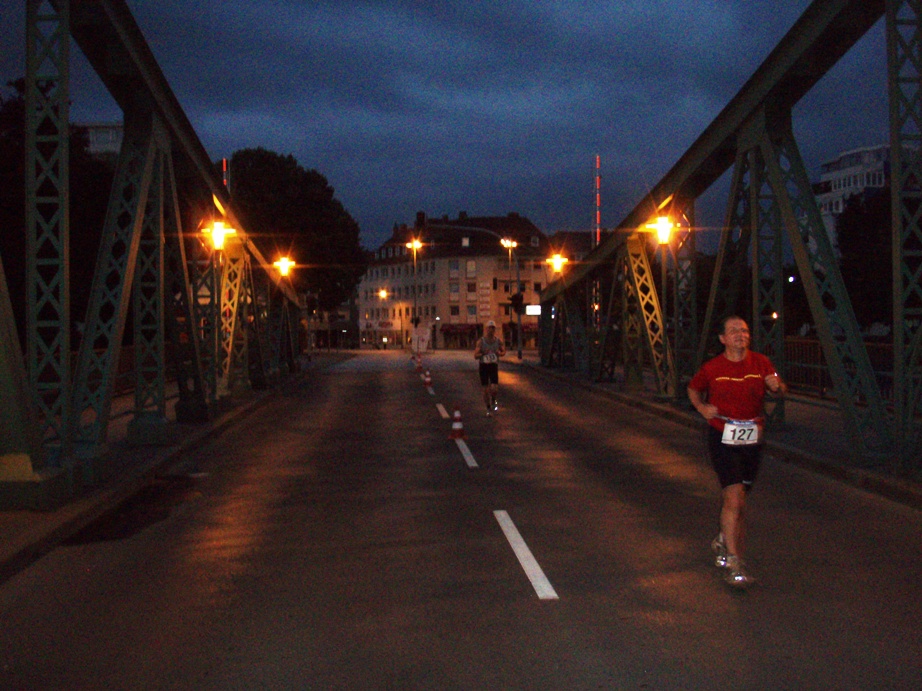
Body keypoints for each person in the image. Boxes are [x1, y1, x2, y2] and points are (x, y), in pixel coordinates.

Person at [687, 316, 786, 588]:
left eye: (743, 331)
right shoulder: (713, 367)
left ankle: (722, 538)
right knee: (734, 499)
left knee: (742, 500)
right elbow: (693, 389)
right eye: (733, 331)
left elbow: (778, 387)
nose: (740, 335)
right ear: (722, 339)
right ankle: (735, 562)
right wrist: (702, 408)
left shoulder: (761, 362)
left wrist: (777, 387)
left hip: (752, 439)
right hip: (722, 436)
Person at [473, 320, 506, 416]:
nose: (491, 330)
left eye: (493, 328)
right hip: (483, 366)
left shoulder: (498, 341)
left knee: (494, 388)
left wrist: (500, 353)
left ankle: (494, 399)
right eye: (489, 328)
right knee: (485, 389)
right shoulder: (481, 342)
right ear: (486, 329)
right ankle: (488, 408)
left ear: (495, 330)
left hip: (493, 366)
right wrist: (483, 353)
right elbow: (475, 355)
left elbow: (503, 351)